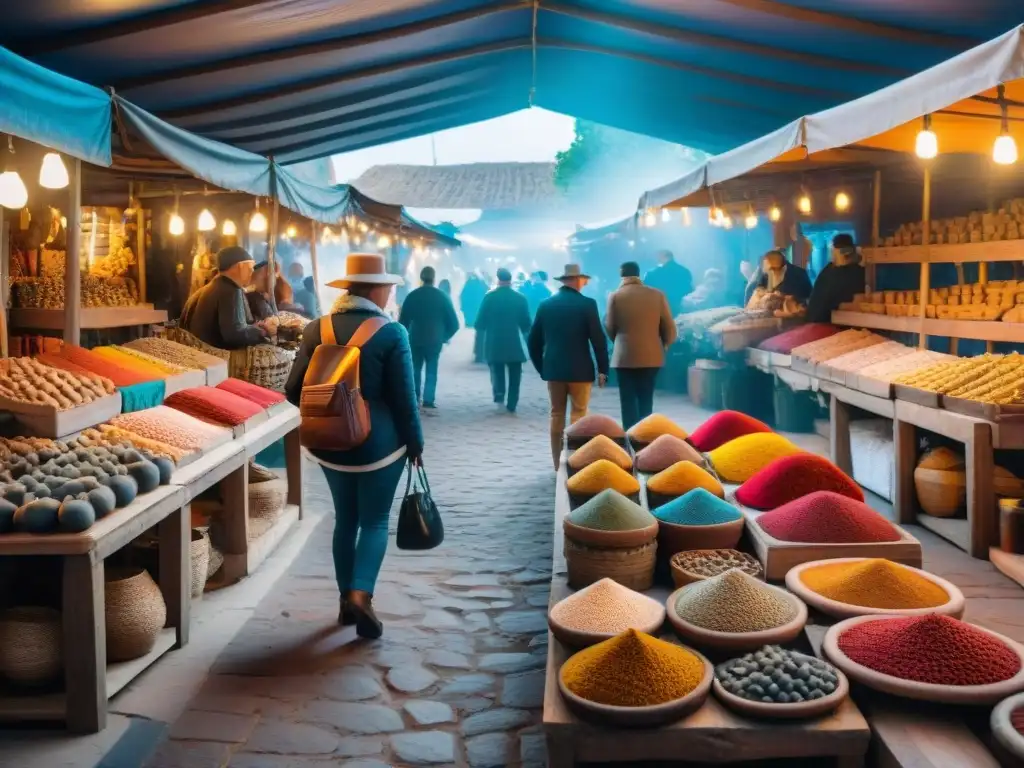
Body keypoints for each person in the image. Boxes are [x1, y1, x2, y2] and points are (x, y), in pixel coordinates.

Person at [284, 253, 423, 640]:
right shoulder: (392, 332)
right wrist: (416, 443)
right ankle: (362, 594)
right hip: (381, 448)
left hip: (329, 446)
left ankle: (346, 602)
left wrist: (332, 416)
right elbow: (404, 399)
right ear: (374, 289)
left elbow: (293, 390)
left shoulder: (316, 329)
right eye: (388, 285)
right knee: (375, 521)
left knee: (345, 520)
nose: (391, 290)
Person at [528, 264, 610, 469]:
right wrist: (603, 369)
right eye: (583, 280)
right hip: (580, 370)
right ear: (576, 280)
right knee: (579, 413)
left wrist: (542, 367)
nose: (585, 283)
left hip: (554, 369)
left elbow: (533, 341)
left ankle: (557, 463)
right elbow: (598, 340)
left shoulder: (546, 304)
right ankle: (575, 463)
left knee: (556, 414)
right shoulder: (587, 304)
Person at [605, 261, 677, 430]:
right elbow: (669, 326)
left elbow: (609, 326)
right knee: (646, 396)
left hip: (624, 355)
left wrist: (619, 341)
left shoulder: (615, 296)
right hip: (652, 355)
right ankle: (645, 433)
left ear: (621, 275)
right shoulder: (657, 295)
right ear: (639, 274)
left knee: (627, 398)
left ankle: (630, 433)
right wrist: (664, 344)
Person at [180, 245, 268, 349]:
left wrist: (254, 327)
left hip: (197, 357)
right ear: (239, 267)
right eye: (250, 267)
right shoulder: (231, 290)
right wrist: (263, 332)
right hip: (217, 361)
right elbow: (235, 335)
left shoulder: (206, 289)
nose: (252, 271)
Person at [398, 266, 460, 409]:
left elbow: (403, 322)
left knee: (415, 369)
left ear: (421, 277)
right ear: (434, 278)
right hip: (434, 340)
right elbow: (455, 323)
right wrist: (444, 337)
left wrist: (405, 336)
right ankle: (428, 400)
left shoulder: (412, 296)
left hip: (415, 338)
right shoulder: (442, 297)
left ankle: (414, 398)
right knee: (432, 369)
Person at [476, 268, 531, 413]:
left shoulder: (489, 297)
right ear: (511, 279)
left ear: (498, 278)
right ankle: (512, 402)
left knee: (497, 369)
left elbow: (479, 323)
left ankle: (499, 395)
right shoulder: (520, 298)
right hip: (514, 341)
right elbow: (526, 324)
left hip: (495, 340)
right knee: (515, 373)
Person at [806, 234, 866, 323]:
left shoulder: (858, 272)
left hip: (850, 322)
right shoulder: (828, 272)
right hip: (824, 322)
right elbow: (818, 302)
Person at [644, 249, 693, 317]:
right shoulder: (684, 271)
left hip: (660, 308)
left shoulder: (653, 273)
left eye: (659, 257)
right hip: (679, 309)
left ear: (665, 257)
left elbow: (646, 290)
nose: (657, 259)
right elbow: (689, 290)